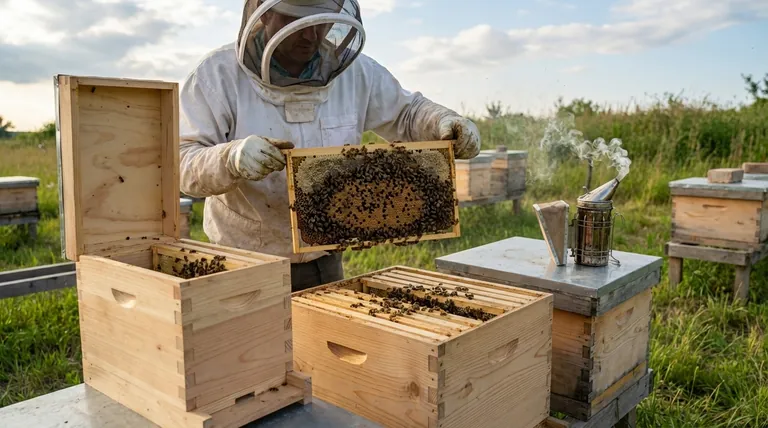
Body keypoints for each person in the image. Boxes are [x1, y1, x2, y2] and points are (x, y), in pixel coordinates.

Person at [178, 0, 481, 292]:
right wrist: (230, 159)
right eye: (295, 20)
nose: (310, 35)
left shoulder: (357, 72)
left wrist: (442, 121)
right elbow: (181, 162)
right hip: (243, 261)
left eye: (320, 21)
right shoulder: (215, 76)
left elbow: (406, 114)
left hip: (324, 260)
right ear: (263, 13)